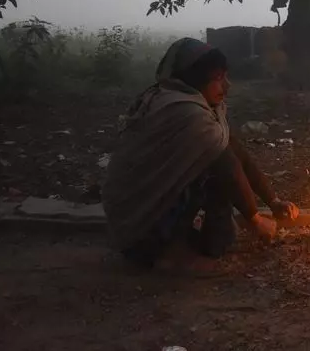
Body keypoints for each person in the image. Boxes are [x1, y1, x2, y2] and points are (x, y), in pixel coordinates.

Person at [102, 37, 299, 272]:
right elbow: (226, 164)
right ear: (195, 79)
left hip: (142, 218)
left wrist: (273, 201)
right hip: (138, 227)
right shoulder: (185, 113)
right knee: (216, 174)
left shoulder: (195, 103)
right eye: (218, 79)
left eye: (226, 77)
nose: (227, 86)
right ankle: (169, 255)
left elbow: (234, 150)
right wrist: (255, 220)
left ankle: (188, 244)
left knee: (217, 173)